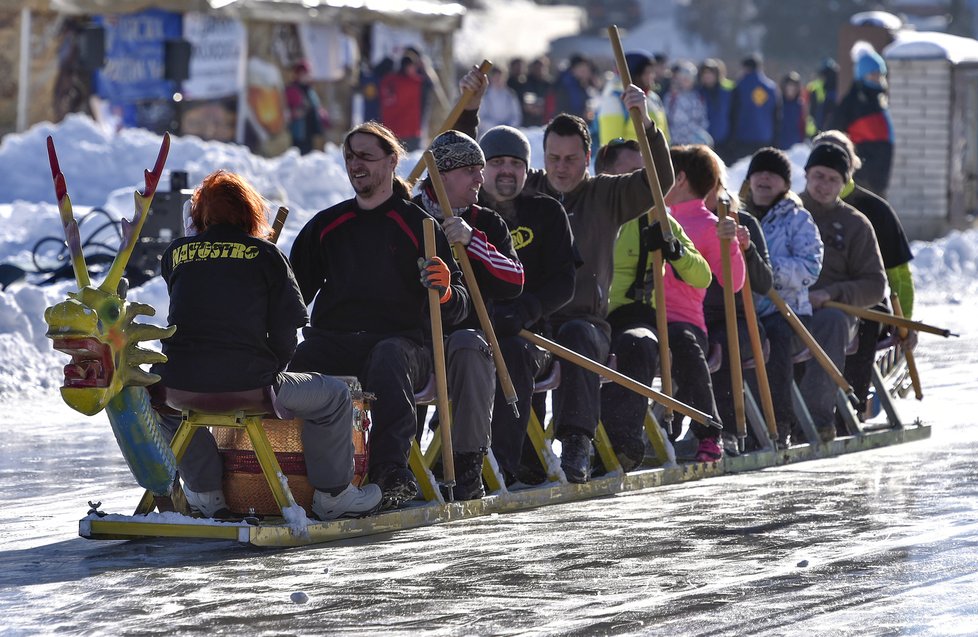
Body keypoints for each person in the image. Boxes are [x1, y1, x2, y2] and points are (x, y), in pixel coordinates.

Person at [454, 67, 675, 483]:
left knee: (576, 334)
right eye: (553, 158)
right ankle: (512, 455)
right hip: (528, 317)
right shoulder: (526, 187)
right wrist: (470, 106)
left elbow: (659, 180)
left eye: (571, 160)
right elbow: (475, 166)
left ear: (587, 159)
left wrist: (644, 122)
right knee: (506, 343)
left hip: (583, 321)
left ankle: (576, 439)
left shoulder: (607, 194)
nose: (561, 168)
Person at [155, 170, 382, 521]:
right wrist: (272, 369)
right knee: (335, 397)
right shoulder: (265, 255)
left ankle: (206, 491)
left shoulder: (175, 254)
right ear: (250, 213)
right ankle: (334, 494)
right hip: (250, 384)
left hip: (177, 384)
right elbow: (288, 327)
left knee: (161, 404)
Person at [288, 122, 470, 508]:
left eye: (366, 157)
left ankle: (392, 473)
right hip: (335, 341)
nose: (356, 165)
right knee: (298, 365)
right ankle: (289, 471)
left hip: (403, 345)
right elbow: (292, 296)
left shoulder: (417, 225)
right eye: (350, 156)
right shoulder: (327, 225)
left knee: (388, 357)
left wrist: (446, 290)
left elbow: (459, 309)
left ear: (391, 161)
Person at [413, 130, 525, 499]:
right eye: (470, 171)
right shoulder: (406, 215)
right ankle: (397, 467)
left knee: (470, 345)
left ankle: (466, 467)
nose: (482, 179)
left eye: (481, 169)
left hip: (466, 342)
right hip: (412, 338)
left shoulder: (488, 222)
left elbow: (515, 280)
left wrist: (473, 241)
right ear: (441, 175)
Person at [596, 139, 712, 467]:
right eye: (632, 173)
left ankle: (621, 444)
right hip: (584, 315)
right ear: (605, 175)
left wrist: (673, 250)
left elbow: (702, 276)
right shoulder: (586, 209)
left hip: (631, 317)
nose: (640, 182)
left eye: (643, 174)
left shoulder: (657, 217)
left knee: (640, 345)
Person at [475, 125, 578, 484]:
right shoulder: (465, 214)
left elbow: (564, 282)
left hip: (530, 338)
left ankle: (500, 465)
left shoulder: (547, 212)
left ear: (527, 169)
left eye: (516, 163)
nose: (506, 170)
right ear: (481, 168)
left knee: (513, 350)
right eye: (497, 161)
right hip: (471, 332)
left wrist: (525, 310)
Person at [813, 130, 916, 418]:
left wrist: (903, 323)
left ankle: (853, 403)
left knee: (866, 318)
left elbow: (899, 276)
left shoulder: (874, 211)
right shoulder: (800, 207)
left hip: (863, 296)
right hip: (812, 295)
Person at [659, 145, 746, 460]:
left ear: (678, 178)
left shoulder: (711, 224)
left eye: (661, 171)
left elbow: (733, 283)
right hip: (645, 316)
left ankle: (709, 430)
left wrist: (731, 244)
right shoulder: (654, 217)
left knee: (686, 350)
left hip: (684, 320)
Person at [798, 143, 886, 441]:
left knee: (831, 323)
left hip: (833, 315)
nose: (823, 185)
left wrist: (833, 294)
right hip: (783, 307)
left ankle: (817, 419)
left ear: (845, 183)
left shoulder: (856, 225)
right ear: (806, 174)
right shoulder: (785, 212)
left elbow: (875, 285)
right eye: (818, 176)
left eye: (832, 179)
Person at [740, 147, 823, 446]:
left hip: (787, 312)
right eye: (759, 172)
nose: (764, 178)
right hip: (745, 310)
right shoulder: (736, 216)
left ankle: (780, 421)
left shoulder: (797, 219)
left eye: (773, 174)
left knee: (774, 340)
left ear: (786, 184)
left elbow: (811, 266)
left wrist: (766, 270)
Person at [701, 158, 774, 453]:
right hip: (694, 318)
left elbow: (764, 282)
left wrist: (748, 249)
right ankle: (672, 428)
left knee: (722, 343)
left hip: (739, 321)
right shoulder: (680, 222)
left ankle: (728, 430)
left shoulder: (744, 222)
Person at [829, 47, 893, 197]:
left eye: (880, 75)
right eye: (873, 75)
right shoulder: (852, 103)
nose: (878, 79)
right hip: (860, 180)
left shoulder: (879, 102)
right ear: (863, 75)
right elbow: (833, 135)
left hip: (878, 179)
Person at [594, 50, 669, 148]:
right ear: (635, 75)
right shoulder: (614, 101)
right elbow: (611, 146)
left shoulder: (653, 98)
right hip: (634, 162)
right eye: (648, 72)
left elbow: (665, 135)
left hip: (658, 159)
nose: (652, 76)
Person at [728, 54, 779, 162]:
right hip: (765, 137)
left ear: (745, 68)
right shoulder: (771, 87)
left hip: (743, 138)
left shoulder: (739, 85)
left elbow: (733, 113)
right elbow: (777, 115)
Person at [379, 51, 428, 151]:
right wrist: (424, 69)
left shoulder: (388, 80)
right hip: (408, 129)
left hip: (395, 128)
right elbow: (430, 84)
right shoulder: (415, 82)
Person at [285, 60, 329, 155]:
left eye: (306, 73)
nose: (305, 76)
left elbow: (316, 106)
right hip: (298, 131)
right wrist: (295, 113)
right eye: (303, 74)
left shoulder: (309, 90)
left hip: (311, 130)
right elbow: (285, 110)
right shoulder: (292, 89)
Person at [665, 61, 710, 146]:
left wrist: (701, 135)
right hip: (676, 143)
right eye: (684, 78)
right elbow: (666, 120)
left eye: (689, 78)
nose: (686, 80)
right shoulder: (671, 97)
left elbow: (703, 120)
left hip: (694, 144)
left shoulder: (698, 97)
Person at [697, 58, 734, 159]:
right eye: (705, 74)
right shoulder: (697, 93)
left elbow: (733, 114)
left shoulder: (728, 92)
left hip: (724, 141)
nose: (707, 76)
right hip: (703, 141)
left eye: (710, 73)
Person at [478, 68, 523, 134]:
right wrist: (495, 128)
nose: (499, 80)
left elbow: (517, 116)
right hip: (489, 133)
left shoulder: (511, 95)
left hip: (508, 132)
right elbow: (481, 118)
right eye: (496, 78)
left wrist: (508, 127)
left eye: (501, 78)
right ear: (491, 78)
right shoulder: (485, 95)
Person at [806, 58, 838, 136]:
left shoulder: (838, 88)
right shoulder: (815, 88)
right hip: (817, 130)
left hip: (834, 129)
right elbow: (811, 111)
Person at [778, 72, 807, 150]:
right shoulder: (779, 103)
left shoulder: (800, 104)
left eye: (793, 87)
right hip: (779, 144)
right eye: (789, 86)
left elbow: (802, 125)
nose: (791, 90)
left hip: (795, 145)